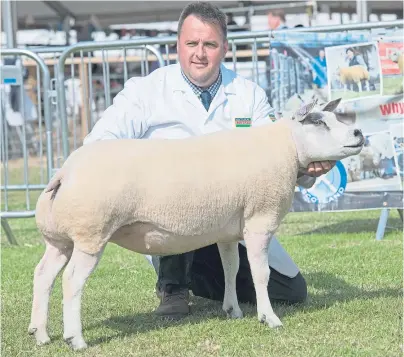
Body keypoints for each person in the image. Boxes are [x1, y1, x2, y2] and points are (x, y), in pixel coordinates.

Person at [83, 1, 333, 319]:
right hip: (165, 213)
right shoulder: (144, 92)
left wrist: (305, 169)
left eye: (210, 44)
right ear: (178, 45)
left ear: (224, 48)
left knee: (291, 292)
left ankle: (205, 279)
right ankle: (174, 287)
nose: (199, 53)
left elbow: (275, 162)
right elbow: (98, 144)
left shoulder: (249, 95)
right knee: (183, 188)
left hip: (231, 218)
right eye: (192, 43)